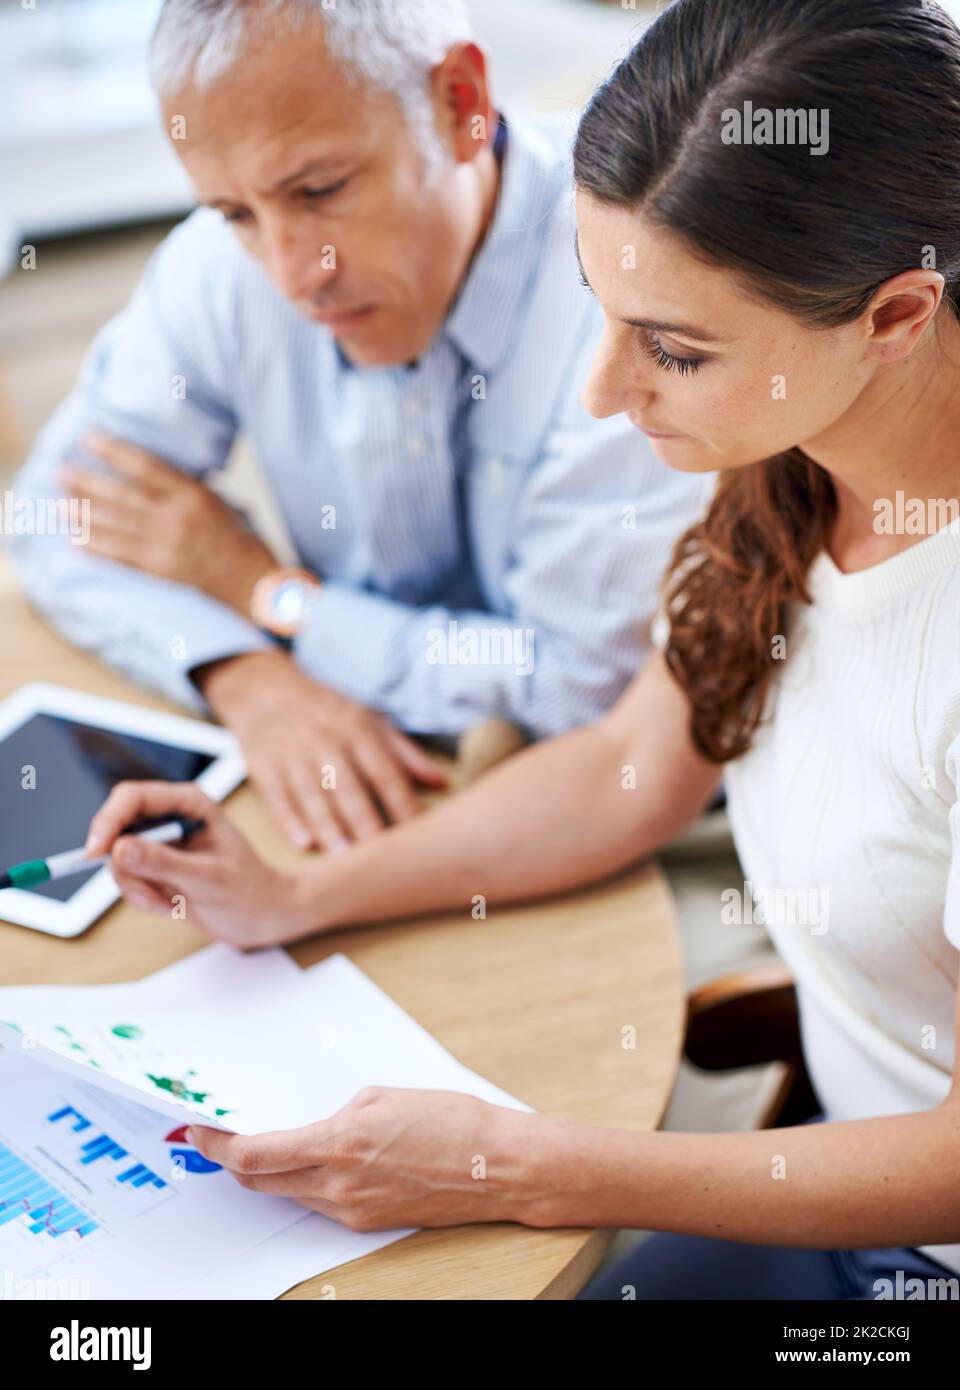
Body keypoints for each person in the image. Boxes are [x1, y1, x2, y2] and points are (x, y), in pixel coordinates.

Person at [84, 0, 960, 1299]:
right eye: (600, 309)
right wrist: (299, 895)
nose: (605, 391)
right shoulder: (788, 464)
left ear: (895, 315)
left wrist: (524, 1163)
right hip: (832, 1167)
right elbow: (629, 765)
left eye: (672, 347)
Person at [10, 0, 704, 855]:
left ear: (460, 103)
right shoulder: (221, 270)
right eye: (234, 212)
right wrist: (245, 672)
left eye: (321, 190)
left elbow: (580, 690)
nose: (294, 274)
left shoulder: (633, 284)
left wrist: (268, 594)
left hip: (633, 831)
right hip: (366, 795)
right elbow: (49, 515)